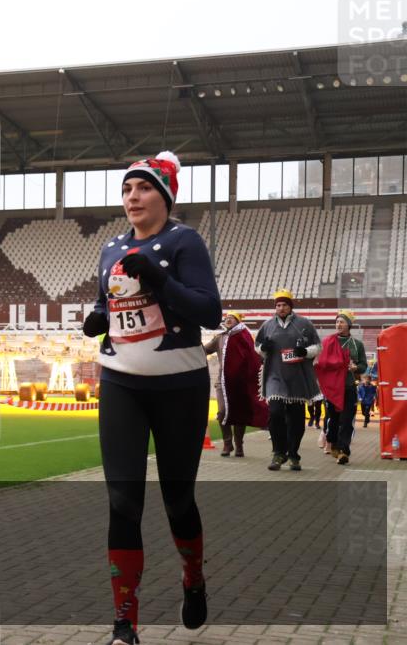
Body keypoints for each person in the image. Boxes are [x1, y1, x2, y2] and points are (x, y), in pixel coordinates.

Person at [82, 151, 221, 645]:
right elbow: (110, 303)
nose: (132, 198)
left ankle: (193, 577)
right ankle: (125, 623)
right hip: (120, 382)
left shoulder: (186, 241)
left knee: (178, 500)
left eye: (142, 189)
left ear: (164, 196)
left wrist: (159, 278)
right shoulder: (110, 248)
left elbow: (209, 312)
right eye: (126, 190)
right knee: (123, 502)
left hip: (179, 386)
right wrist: (97, 318)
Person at [255, 289, 322, 472]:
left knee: (296, 420)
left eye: (284, 305)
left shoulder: (304, 324)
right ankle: (278, 452)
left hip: (297, 377)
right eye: (278, 305)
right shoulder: (267, 325)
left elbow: (317, 345)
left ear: (290, 306)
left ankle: (293, 454)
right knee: (275, 412)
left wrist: (306, 352)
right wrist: (263, 348)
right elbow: (257, 346)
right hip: (274, 376)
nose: (281, 308)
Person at [203, 312, 267, 457]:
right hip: (222, 382)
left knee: (240, 413)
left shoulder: (245, 337)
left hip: (241, 383)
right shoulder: (219, 338)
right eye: (226, 319)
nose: (228, 320)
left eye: (231, 318)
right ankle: (227, 443)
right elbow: (204, 351)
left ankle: (239, 445)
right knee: (222, 411)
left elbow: (255, 357)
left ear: (238, 321)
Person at [317, 311, 367, 464]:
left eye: (342, 322)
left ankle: (343, 450)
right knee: (333, 420)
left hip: (349, 387)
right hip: (332, 388)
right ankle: (332, 442)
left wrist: (355, 368)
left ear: (349, 325)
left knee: (347, 420)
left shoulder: (357, 344)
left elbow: (363, 366)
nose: (338, 324)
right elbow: (321, 363)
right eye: (337, 322)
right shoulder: (327, 342)